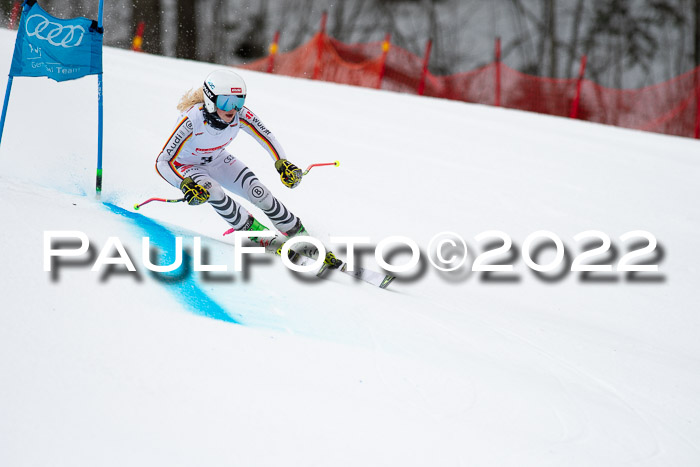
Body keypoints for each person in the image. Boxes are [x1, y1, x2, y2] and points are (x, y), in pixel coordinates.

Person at [155, 68, 340, 268]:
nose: (233, 109)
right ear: (210, 99)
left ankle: (304, 240)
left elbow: (266, 136)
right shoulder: (192, 120)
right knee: (214, 192)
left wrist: (282, 162)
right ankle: (262, 237)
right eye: (226, 102)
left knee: (259, 193)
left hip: (217, 160)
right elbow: (162, 161)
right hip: (189, 167)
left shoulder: (240, 115)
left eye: (238, 101)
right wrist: (184, 184)